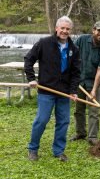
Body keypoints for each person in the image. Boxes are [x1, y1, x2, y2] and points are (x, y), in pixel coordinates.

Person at [24, 16, 81, 162]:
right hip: (46, 90)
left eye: (67, 29)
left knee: (63, 122)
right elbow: (29, 59)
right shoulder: (44, 43)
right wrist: (31, 78)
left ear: (70, 31)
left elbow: (76, 72)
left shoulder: (74, 49)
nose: (64, 31)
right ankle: (33, 149)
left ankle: (58, 151)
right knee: (41, 120)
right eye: (62, 28)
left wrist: (73, 91)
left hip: (64, 92)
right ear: (56, 28)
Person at [69, 21, 100, 145]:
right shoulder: (82, 40)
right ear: (94, 30)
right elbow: (72, 56)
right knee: (79, 109)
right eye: (99, 30)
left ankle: (92, 137)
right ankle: (80, 133)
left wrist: (93, 90)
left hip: (94, 82)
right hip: (79, 81)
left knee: (94, 110)